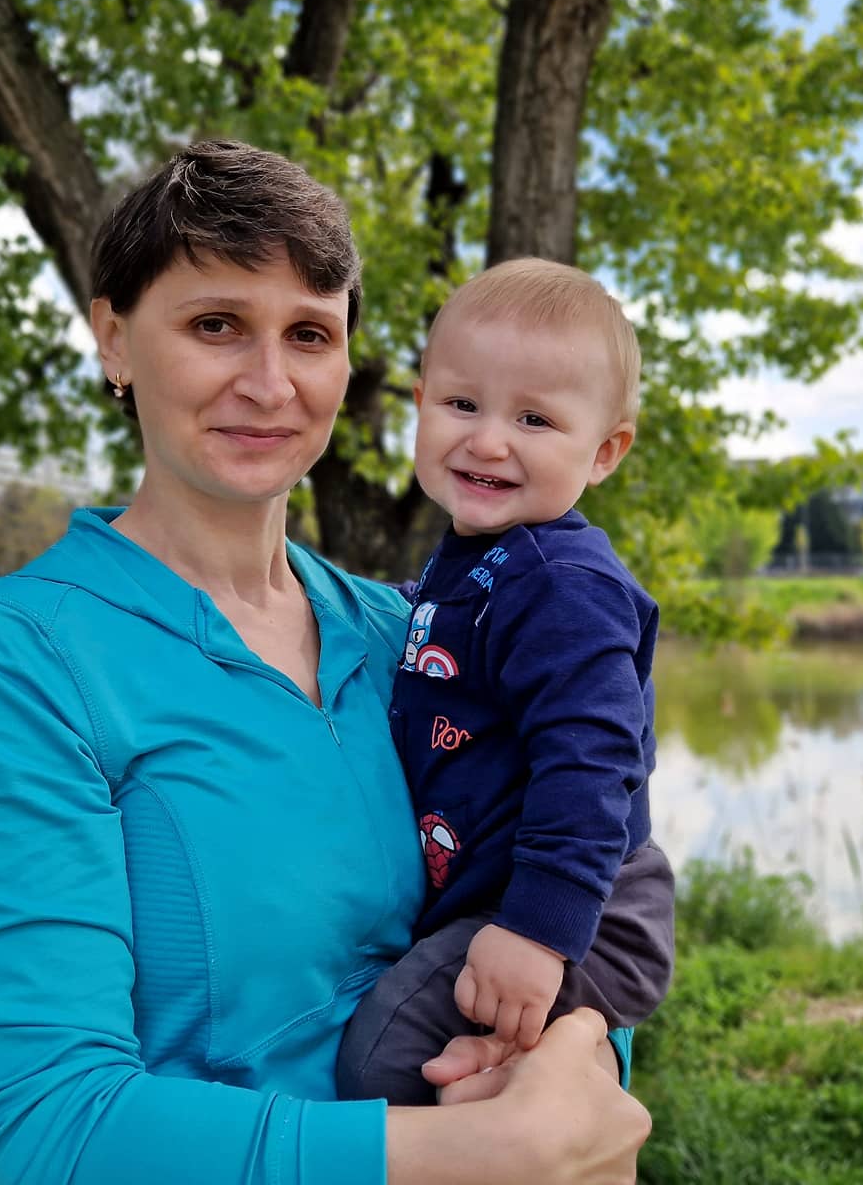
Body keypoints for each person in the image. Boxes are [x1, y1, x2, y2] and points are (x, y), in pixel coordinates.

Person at [0, 142, 649, 1185]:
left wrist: (580, 1059)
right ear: (114, 341)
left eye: (309, 333)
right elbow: (48, 1134)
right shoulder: (24, 656)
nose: (269, 382)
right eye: (216, 325)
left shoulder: (406, 637)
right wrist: (478, 1148)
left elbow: (580, 902)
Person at [335, 260, 674, 1105]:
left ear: (604, 452)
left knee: (381, 1056)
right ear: (419, 405)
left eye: (534, 418)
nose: (489, 440)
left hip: (579, 910)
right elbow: (436, 627)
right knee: (467, 1069)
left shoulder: (563, 583)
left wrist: (536, 930)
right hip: (509, 897)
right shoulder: (480, 564)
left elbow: (595, 760)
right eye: (462, 404)